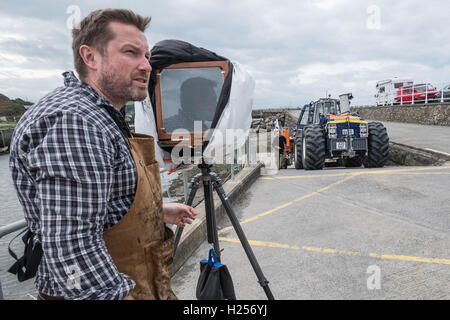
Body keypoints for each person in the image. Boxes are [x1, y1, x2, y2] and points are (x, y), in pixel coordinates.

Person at [8, 9, 197, 300]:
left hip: (137, 278)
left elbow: (94, 203)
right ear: (90, 57)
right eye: (131, 52)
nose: (146, 66)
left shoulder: (102, 114)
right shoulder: (75, 120)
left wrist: (157, 213)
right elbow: (71, 243)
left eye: (146, 56)